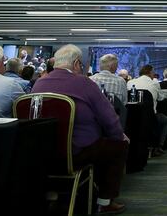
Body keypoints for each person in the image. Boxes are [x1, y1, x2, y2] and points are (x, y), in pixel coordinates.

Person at [32, 44, 128, 215]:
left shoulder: (39, 84)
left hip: (43, 153)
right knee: (118, 146)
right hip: (78, 152)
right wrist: (119, 136)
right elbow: (109, 118)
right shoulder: (84, 83)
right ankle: (104, 201)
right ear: (76, 63)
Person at [127, 65, 167, 157]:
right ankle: (158, 146)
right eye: (153, 72)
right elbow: (160, 98)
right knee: (166, 120)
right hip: (150, 116)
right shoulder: (154, 83)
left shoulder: (130, 83)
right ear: (150, 72)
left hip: (131, 116)